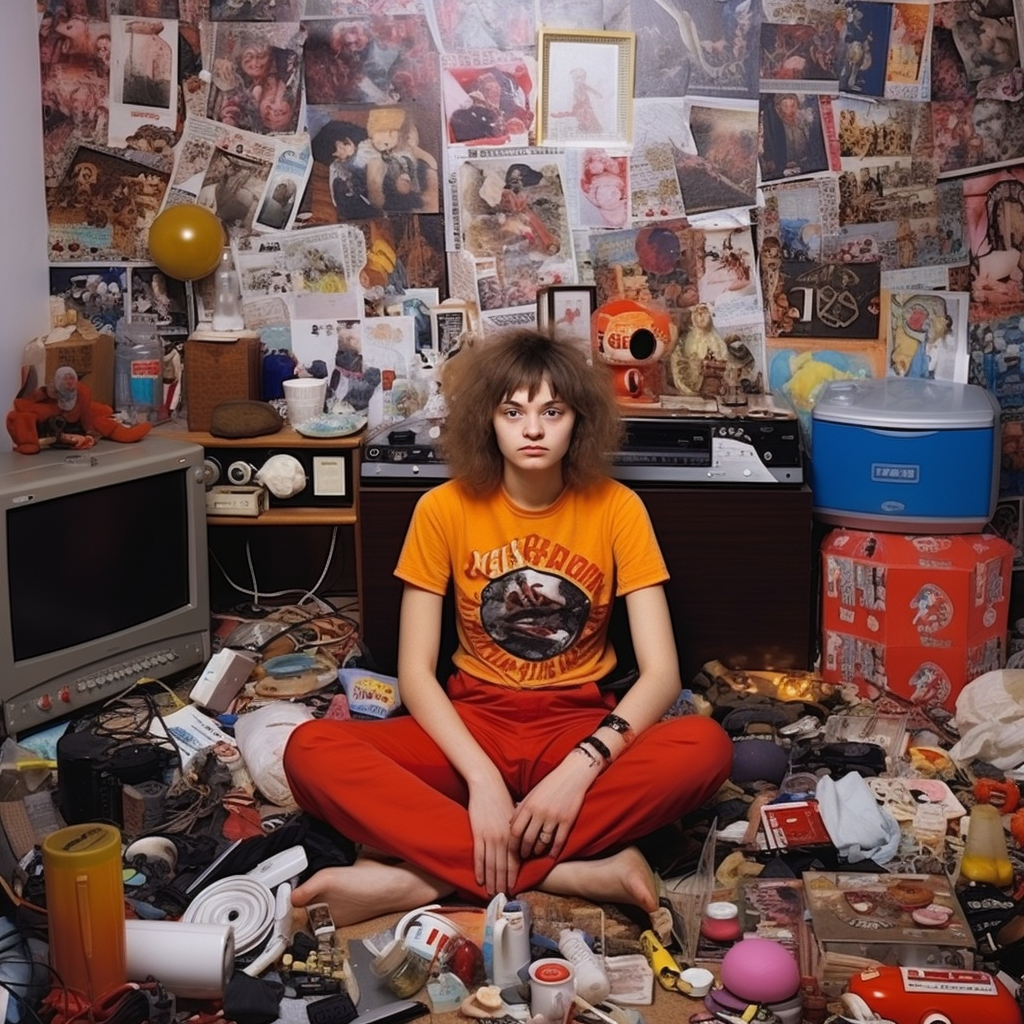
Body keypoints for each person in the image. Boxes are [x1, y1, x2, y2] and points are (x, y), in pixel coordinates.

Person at [283, 330, 732, 927]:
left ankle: (417, 881)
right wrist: (482, 781)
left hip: (577, 725)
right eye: (512, 411)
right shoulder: (441, 509)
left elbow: (661, 675)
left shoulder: (619, 507)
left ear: (579, 420)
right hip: (474, 725)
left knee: (706, 747)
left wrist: (581, 768)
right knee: (309, 749)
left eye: (553, 411)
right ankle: (571, 871)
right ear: (486, 421)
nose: (533, 430)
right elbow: (415, 674)